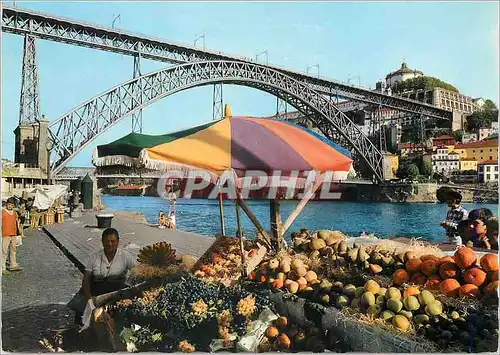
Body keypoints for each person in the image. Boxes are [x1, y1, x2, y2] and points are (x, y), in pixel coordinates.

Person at [74, 228, 135, 325]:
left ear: (118, 241)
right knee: (81, 318)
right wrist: (89, 299)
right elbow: (86, 280)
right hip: (96, 292)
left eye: (113, 241)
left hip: (116, 292)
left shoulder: (125, 256)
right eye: (107, 241)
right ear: (102, 242)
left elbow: (137, 272)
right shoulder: (94, 257)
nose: (110, 244)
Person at [2, 197, 24, 274]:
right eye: (9, 205)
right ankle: (2, 268)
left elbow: (16, 223)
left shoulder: (14, 213)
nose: (10, 206)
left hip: (13, 234)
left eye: (12, 205)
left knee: (13, 250)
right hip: (5, 234)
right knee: (3, 251)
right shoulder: (2, 212)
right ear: (6, 204)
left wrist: (19, 233)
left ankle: (13, 265)